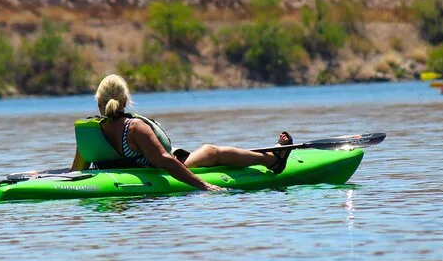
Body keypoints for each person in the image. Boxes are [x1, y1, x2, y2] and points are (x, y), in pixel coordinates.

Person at [70, 74, 293, 192]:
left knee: (195, 152)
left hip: (126, 173)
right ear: (125, 101)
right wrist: (204, 185)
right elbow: (166, 162)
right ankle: (272, 160)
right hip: (158, 171)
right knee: (210, 151)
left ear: (98, 102)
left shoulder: (89, 130)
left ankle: (271, 159)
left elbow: (75, 172)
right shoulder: (134, 128)